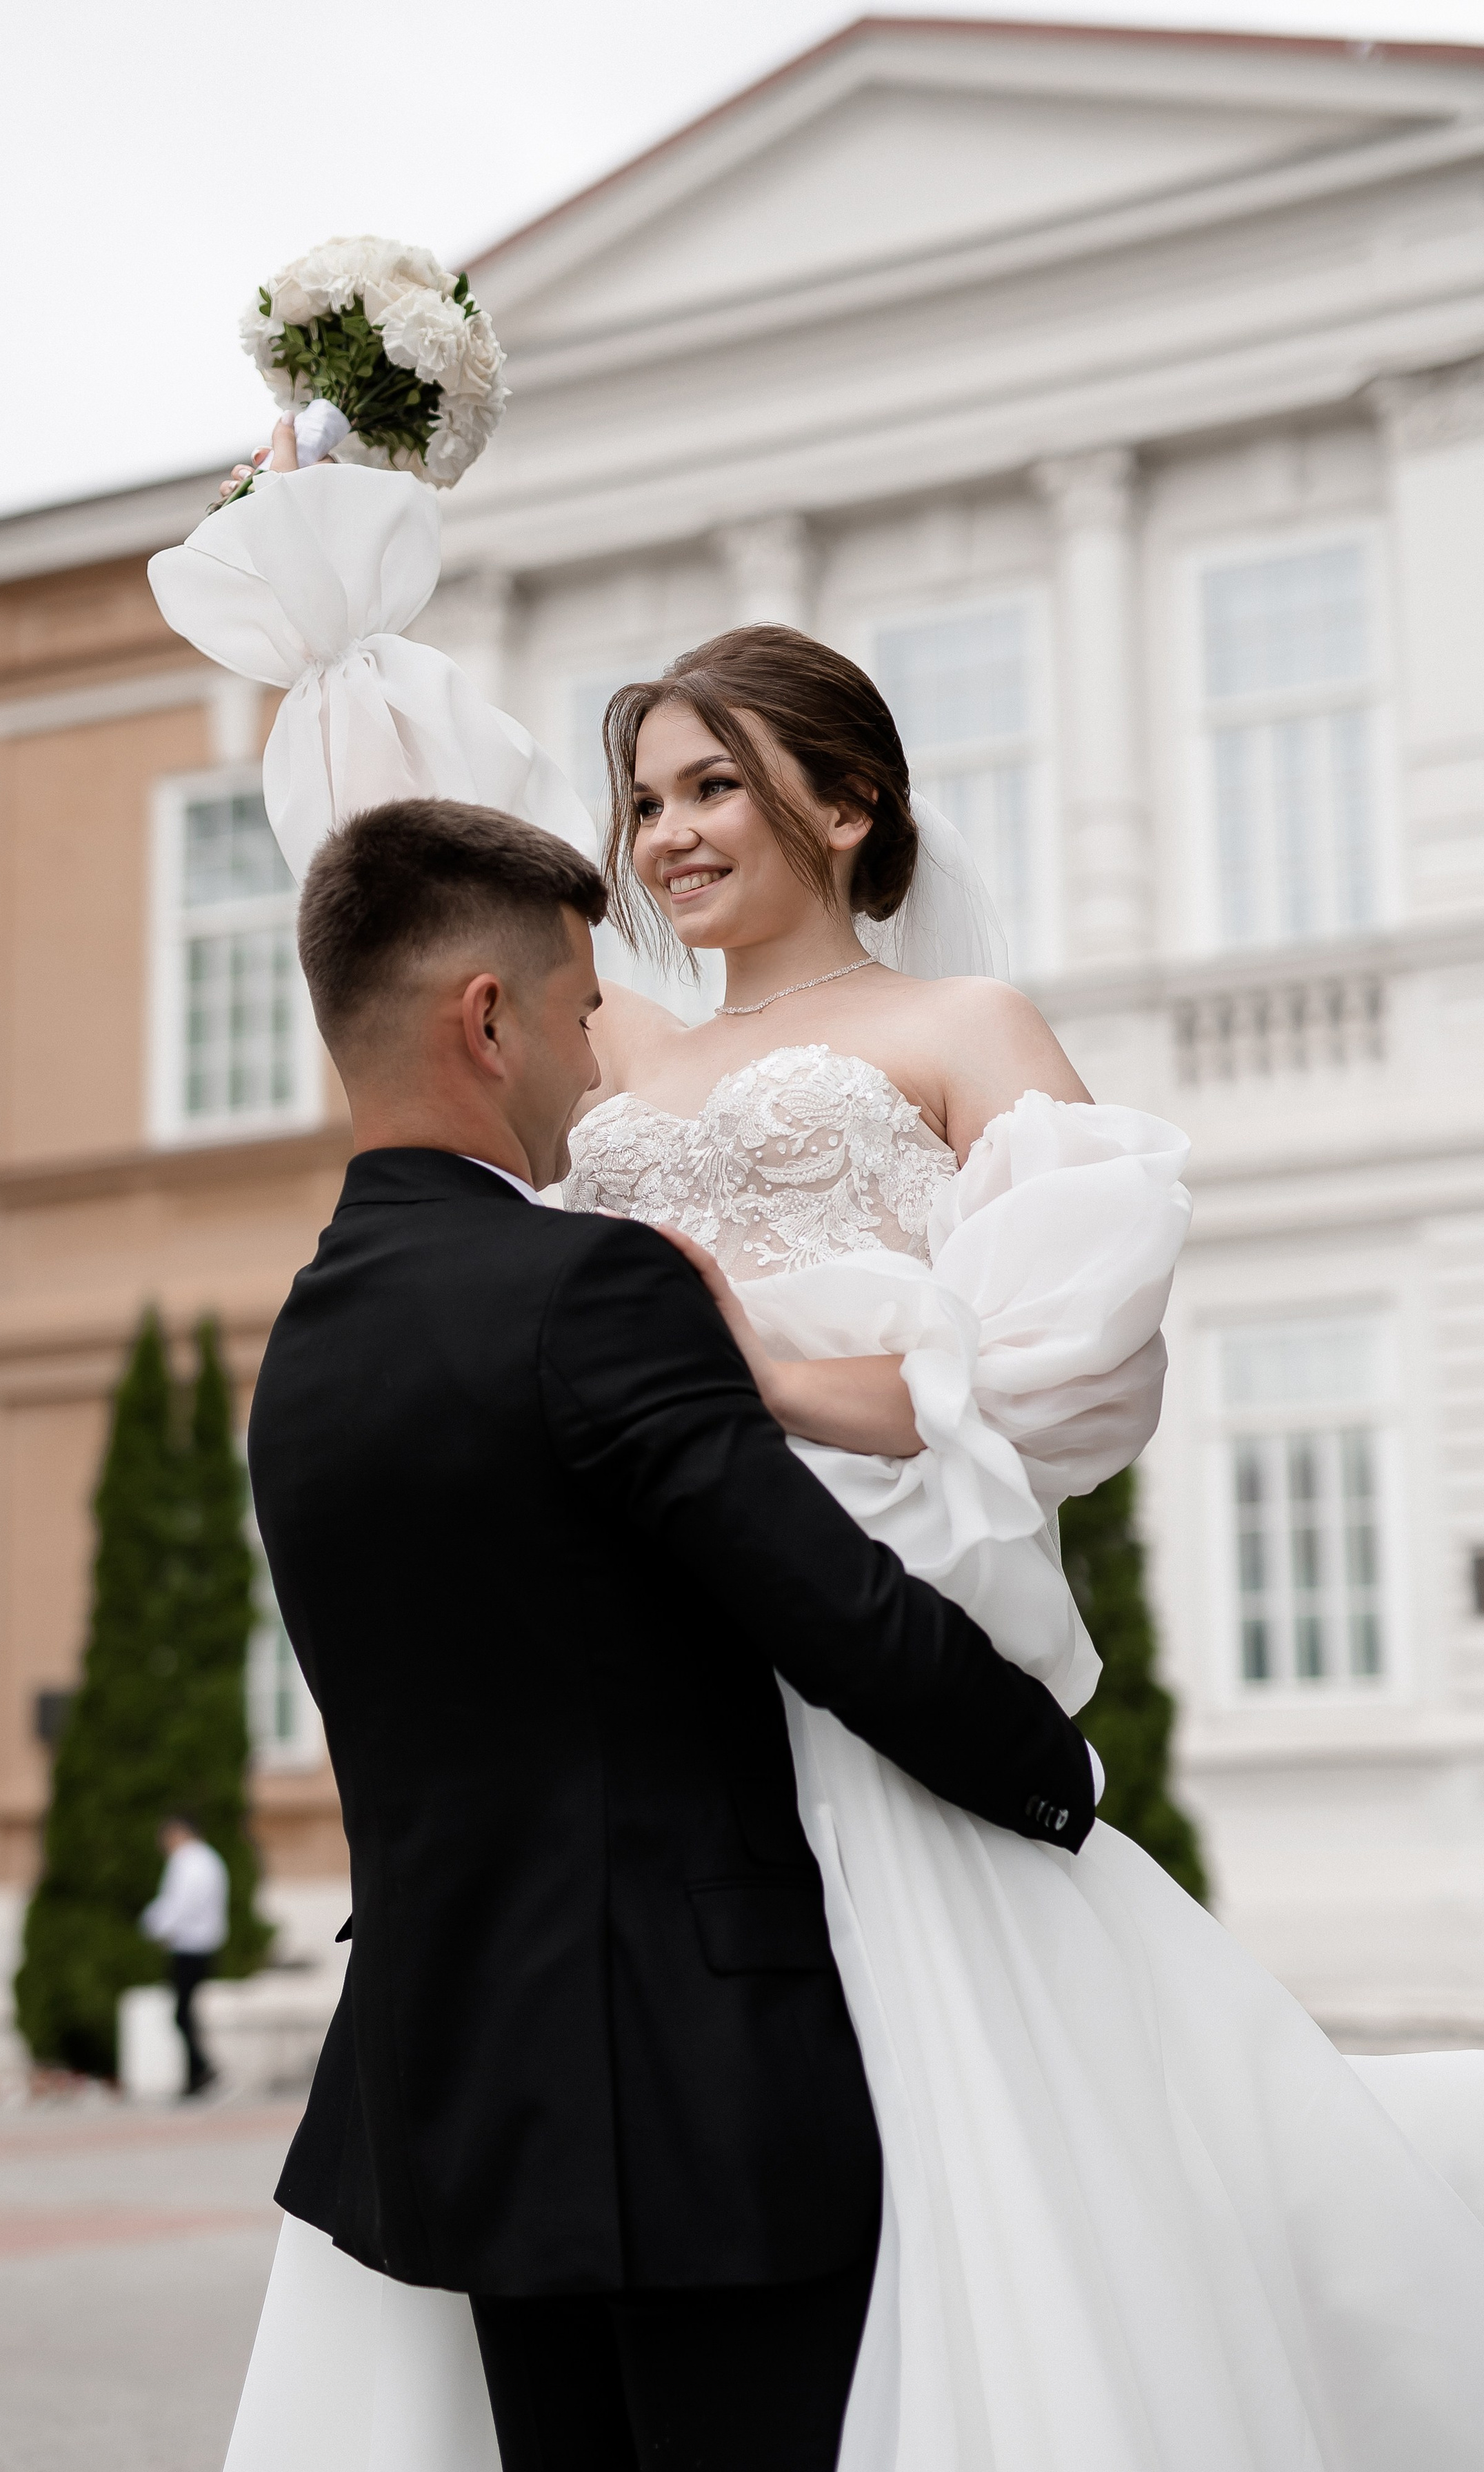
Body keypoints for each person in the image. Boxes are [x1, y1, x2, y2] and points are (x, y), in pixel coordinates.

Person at [157, 441, 1484, 2472]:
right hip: (613, 1712)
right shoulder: (588, 1058)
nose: (666, 833)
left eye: (711, 785)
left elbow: (1064, 1373)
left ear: (842, 805)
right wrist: (327, 557)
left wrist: (759, 1373)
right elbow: (403, 905)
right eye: (642, 798)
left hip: (857, 1667)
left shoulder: (962, 1028)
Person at [238, 795, 1097, 2472]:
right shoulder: (587, 1288)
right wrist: (1044, 1771)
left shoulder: (304, 1347)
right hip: (694, 2087)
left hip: (456, 2084)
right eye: (572, 1012)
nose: (592, 1060)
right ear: (484, 1024)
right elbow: (820, 1607)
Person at [141, 1811, 228, 2098]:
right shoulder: (209, 1859)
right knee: (186, 2013)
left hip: (190, 1945)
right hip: (204, 1943)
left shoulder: (187, 1861)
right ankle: (197, 2073)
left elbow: (179, 1903)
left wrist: (153, 1926)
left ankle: (200, 2070)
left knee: (182, 2014)